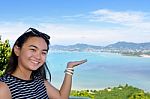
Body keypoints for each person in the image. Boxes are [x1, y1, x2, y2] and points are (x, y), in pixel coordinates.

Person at [0, 27, 87, 99]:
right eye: (33, 49)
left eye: (43, 53)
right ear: (17, 50)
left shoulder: (39, 81)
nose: (38, 57)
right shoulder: (4, 87)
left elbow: (62, 97)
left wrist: (69, 68)